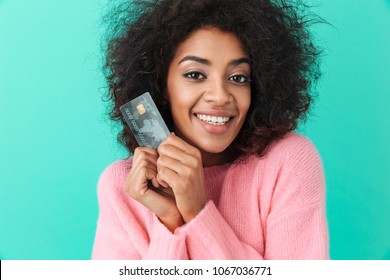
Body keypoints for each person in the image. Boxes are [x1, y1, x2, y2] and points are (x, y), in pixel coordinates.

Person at [92, 0, 329, 259]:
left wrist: (197, 212)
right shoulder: (123, 187)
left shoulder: (288, 163)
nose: (219, 96)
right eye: (195, 74)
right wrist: (170, 221)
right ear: (161, 85)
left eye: (238, 77)